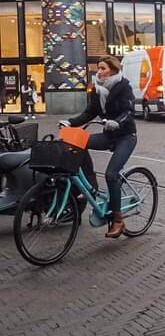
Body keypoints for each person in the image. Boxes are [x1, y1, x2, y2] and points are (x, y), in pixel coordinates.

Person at [59, 56, 137, 238]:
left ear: (113, 69)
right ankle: (90, 181)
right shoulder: (97, 88)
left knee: (111, 175)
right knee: (79, 142)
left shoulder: (123, 85)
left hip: (125, 136)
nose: (99, 71)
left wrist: (117, 122)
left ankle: (118, 220)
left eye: (102, 68)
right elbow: (90, 112)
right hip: (108, 135)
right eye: (98, 68)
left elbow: (129, 111)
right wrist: (69, 122)